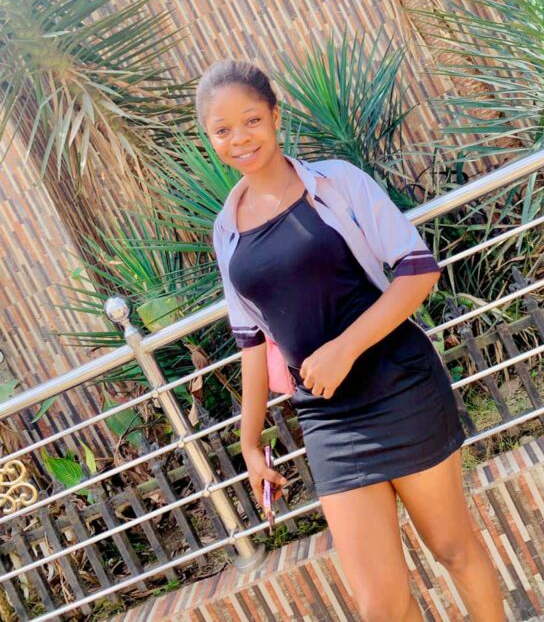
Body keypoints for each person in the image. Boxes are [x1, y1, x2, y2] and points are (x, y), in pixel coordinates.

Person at [198, 60, 505, 622]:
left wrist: (344, 348)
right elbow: (250, 342)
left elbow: (417, 271)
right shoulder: (226, 230)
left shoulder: (335, 182)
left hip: (400, 387)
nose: (240, 138)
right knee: (380, 606)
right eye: (223, 130)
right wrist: (249, 442)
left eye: (251, 120)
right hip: (327, 418)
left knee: (452, 548)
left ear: (276, 117)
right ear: (209, 138)